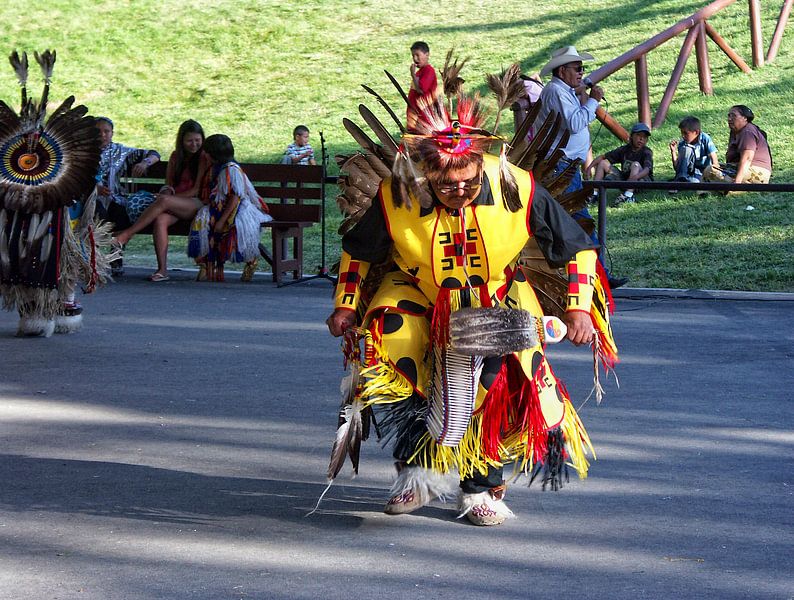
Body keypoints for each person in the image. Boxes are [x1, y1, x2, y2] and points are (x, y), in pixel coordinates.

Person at [325, 88, 618, 526]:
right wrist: (346, 305)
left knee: (488, 386)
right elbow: (359, 251)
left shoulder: (517, 186)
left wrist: (577, 309)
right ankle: (420, 473)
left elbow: (576, 246)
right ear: (427, 173)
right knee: (403, 365)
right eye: (446, 185)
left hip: (496, 294)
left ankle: (480, 487)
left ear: (482, 165)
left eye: (469, 181)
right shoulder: (397, 194)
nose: (459, 191)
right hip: (419, 292)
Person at [534, 46, 628, 288]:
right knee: (581, 220)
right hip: (561, 166)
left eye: (581, 68)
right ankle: (600, 275)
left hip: (564, 166)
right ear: (562, 71)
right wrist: (593, 100)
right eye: (577, 68)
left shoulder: (560, 91)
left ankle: (592, 274)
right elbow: (575, 123)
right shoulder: (556, 91)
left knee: (574, 220)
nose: (581, 72)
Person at [113, 120, 210, 282]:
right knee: (160, 220)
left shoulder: (204, 157)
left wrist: (168, 198)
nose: (194, 144)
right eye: (189, 141)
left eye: (197, 140)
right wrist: (166, 192)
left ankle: (127, 234)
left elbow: (196, 190)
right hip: (174, 203)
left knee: (164, 201)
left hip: (197, 203)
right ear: (181, 140)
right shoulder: (176, 156)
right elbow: (169, 184)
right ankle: (162, 270)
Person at [187, 134, 272, 282]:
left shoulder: (232, 169)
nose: (204, 154)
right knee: (201, 221)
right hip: (218, 206)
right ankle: (205, 264)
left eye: (207, 152)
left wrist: (222, 221)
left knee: (235, 228)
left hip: (237, 209)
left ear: (214, 155)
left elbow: (235, 196)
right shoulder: (215, 168)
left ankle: (250, 261)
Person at [94, 117, 160, 275]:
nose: (102, 135)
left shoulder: (120, 151)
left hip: (116, 198)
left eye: (106, 131)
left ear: (112, 133)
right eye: (98, 131)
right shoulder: (83, 153)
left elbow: (154, 154)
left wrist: (145, 163)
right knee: (96, 214)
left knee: (121, 213)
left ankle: (115, 257)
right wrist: (95, 189)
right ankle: (92, 259)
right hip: (91, 199)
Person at [704, 105, 772, 187]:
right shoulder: (735, 131)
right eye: (729, 116)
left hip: (756, 172)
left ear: (745, 118)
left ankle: (736, 189)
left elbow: (747, 159)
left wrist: (737, 182)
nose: (729, 119)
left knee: (710, 170)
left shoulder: (747, 131)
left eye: (733, 116)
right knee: (713, 168)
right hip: (742, 169)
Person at [590, 122, 653, 206]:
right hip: (626, 181)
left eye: (644, 137)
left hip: (642, 182)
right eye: (638, 135)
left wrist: (635, 177)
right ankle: (594, 194)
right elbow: (603, 157)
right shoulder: (624, 150)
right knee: (603, 163)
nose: (641, 139)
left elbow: (647, 169)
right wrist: (589, 168)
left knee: (636, 165)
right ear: (632, 136)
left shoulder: (646, 152)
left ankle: (628, 196)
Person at [669, 116, 719, 189]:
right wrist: (673, 152)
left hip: (703, 172)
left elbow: (714, 161)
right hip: (689, 172)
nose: (683, 136)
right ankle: (680, 181)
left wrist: (714, 173)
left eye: (685, 133)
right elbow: (677, 168)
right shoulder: (683, 144)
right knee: (686, 149)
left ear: (696, 132)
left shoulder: (705, 139)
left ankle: (685, 182)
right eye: (682, 133)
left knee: (695, 182)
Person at [407, 40, 437, 113]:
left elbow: (421, 91)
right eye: (413, 56)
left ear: (427, 55)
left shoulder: (429, 71)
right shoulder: (419, 72)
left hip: (423, 113)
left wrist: (413, 75)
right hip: (415, 113)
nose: (415, 58)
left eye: (417, 55)